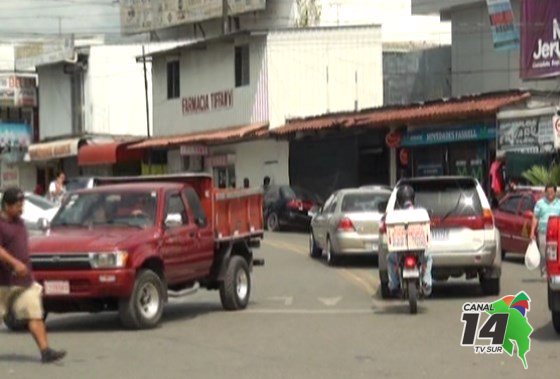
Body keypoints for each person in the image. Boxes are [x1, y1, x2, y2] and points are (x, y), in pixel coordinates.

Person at [0, 187, 66, 363]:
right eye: (17, 204)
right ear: (6, 205)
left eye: (22, 204)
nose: (21, 208)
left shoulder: (20, 222)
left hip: (24, 281)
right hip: (3, 283)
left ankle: (45, 352)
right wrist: (14, 263)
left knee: (34, 314)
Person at [387, 185, 433, 297]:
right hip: (419, 249)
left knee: (390, 259)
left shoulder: (394, 214)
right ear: (413, 199)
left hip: (400, 251)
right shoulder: (421, 212)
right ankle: (427, 282)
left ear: (399, 200)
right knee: (428, 258)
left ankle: (394, 285)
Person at [531, 184, 560, 277]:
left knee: (556, 253)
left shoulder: (559, 203)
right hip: (543, 231)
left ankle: (555, 271)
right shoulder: (540, 203)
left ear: (555, 192)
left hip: (556, 233)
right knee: (544, 252)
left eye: (552, 192)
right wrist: (532, 232)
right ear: (545, 192)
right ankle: (544, 272)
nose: (549, 194)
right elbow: (535, 217)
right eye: (548, 192)